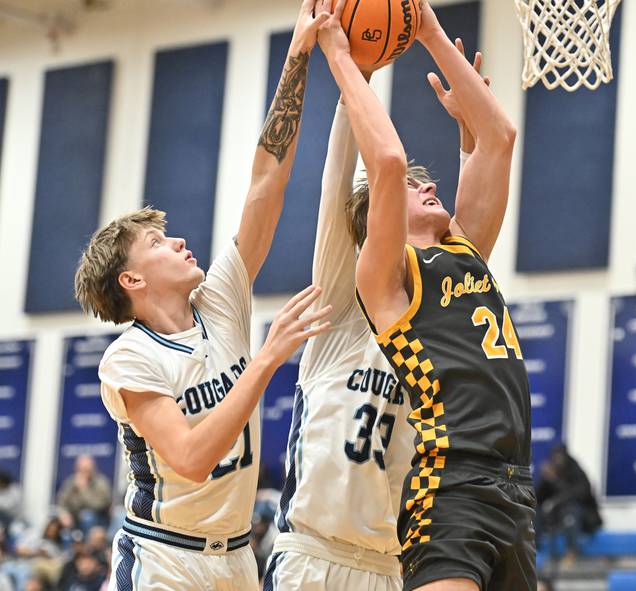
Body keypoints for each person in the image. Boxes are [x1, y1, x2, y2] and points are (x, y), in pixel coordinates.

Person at [72, 1, 333, 589]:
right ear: (131, 281)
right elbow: (189, 460)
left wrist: (299, 53)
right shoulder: (130, 358)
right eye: (159, 243)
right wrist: (266, 360)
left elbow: (268, 176)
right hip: (164, 559)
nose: (180, 240)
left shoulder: (219, 300)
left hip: (238, 557)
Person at [317, 2, 537, 589]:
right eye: (418, 188)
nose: (430, 184)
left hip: (516, 488)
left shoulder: (464, 247)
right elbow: (386, 163)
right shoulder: (388, 277)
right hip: (452, 484)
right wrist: (341, 56)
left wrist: (429, 28)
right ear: (381, 221)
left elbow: (500, 136)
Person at [262, 37, 486, 591]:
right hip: (311, 557)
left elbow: (471, 239)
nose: (428, 189)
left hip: (391, 567)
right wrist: (351, 76)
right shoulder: (338, 318)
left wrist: (470, 133)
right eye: (411, 187)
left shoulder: (431, 314)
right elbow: (335, 186)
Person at [535, 444, 602, 566]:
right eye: (555, 458)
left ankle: (572, 551)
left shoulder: (575, 470)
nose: (557, 461)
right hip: (556, 515)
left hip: (582, 516)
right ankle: (534, 549)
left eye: (560, 457)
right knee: (535, 512)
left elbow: (581, 494)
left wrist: (556, 481)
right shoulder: (550, 471)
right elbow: (538, 498)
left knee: (571, 512)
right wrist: (545, 480)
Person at [55, 456, 111, 532]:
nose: (83, 473)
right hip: (74, 517)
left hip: (98, 519)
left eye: (87, 470)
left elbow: (100, 506)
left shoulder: (100, 483)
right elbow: (61, 502)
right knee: (55, 519)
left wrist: (83, 490)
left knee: (87, 516)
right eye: (81, 469)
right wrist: (63, 514)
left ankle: (88, 543)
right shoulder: (71, 482)